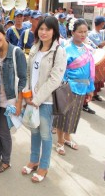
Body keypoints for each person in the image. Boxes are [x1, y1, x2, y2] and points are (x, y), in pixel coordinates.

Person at [21, 16, 66, 183]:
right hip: (32, 99)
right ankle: (34, 160)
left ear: (54, 31)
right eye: (41, 29)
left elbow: (55, 80)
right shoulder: (35, 48)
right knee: (34, 130)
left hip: (46, 102)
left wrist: (37, 99)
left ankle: (44, 166)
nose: (44, 32)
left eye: (48, 29)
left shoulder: (59, 52)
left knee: (46, 135)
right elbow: (28, 73)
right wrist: (27, 93)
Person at [0, 23, 27, 173]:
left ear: (4, 34)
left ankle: (6, 160)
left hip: (10, 100)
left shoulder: (17, 52)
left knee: (3, 131)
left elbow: (23, 79)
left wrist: (19, 102)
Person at [53, 19, 95, 156]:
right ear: (73, 32)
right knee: (63, 115)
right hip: (68, 88)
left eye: (85, 32)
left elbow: (90, 71)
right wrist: (65, 87)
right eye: (80, 32)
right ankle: (59, 141)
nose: (83, 35)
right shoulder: (65, 50)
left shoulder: (87, 50)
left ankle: (67, 137)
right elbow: (61, 71)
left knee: (74, 116)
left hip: (82, 87)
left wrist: (90, 88)